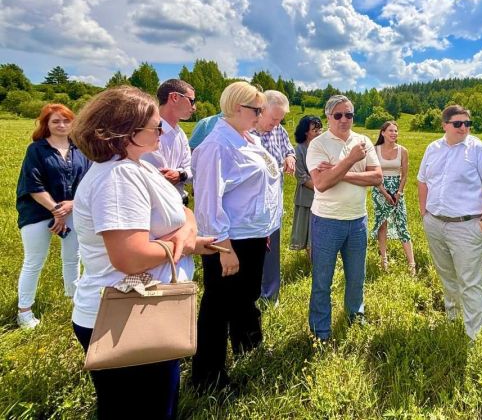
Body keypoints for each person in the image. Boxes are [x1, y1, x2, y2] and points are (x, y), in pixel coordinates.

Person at [70, 86, 214, 419]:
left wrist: (185, 233)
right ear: (126, 132)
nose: (162, 130)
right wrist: (184, 245)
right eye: (155, 126)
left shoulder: (138, 166)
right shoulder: (118, 177)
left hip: (145, 308)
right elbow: (130, 256)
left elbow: (184, 210)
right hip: (125, 316)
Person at [191, 82, 282, 389]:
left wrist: (264, 229)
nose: (260, 115)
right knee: (218, 306)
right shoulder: (216, 146)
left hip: (253, 235)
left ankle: (247, 345)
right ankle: (209, 377)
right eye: (257, 110)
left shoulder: (248, 138)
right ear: (237, 108)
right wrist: (223, 247)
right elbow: (207, 202)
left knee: (245, 298)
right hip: (231, 239)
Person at [417, 105, 482, 339]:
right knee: (447, 275)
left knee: (470, 281)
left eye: (467, 123)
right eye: (458, 123)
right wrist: (423, 212)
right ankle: (453, 318)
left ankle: (473, 335)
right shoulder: (433, 148)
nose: (464, 127)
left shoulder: (478, 150)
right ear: (445, 125)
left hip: (467, 226)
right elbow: (422, 181)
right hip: (435, 223)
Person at [306, 95, 382, 340]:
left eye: (348, 115)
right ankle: (321, 331)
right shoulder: (318, 145)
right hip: (327, 221)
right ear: (328, 117)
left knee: (357, 276)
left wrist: (342, 172)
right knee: (322, 279)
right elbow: (322, 183)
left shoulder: (363, 141)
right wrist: (351, 161)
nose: (344, 119)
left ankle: (355, 316)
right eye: (338, 115)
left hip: (358, 220)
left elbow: (377, 178)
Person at [15, 104, 91, 329]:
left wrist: (72, 206)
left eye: (66, 121)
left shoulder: (80, 150)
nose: (62, 125)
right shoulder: (36, 150)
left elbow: (87, 183)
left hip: (72, 210)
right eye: (55, 121)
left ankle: (74, 300)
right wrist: (57, 210)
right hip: (38, 212)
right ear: (46, 124)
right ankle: (24, 311)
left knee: (72, 258)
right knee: (34, 261)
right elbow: (33, 184)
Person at [250, 90, 296, 304]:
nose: (276, 123)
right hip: (251, 202)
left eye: (280, 119)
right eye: (273, 118)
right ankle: (252, 293)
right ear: (261, 109)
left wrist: (290, 157)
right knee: (251, 249)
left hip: (274, 199)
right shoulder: (246, 132)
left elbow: (289, 149)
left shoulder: (280, 130)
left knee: (272, 249)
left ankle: (271, 295)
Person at [370, 121, 415, 275]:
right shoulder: (375, 150)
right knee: (382, 224)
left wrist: (398, 193)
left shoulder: (403, 151)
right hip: (380, 189)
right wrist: (384, 192)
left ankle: (412, 265)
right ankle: (384, 261)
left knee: (402, 223)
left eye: (396, 131)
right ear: (382, 133)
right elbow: (373, 175)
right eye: (391, 131)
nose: (394, 133)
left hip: (397, 190)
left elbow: (405, 175)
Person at [141, 79, 195, 203]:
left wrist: (180, 175)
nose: (194, 107)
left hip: (179, 203)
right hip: (152, 206)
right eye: (191, 101)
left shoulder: (180, 134)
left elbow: (190, 168)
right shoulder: (144, 131)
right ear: (174, 97)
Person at [290, 115, 322, 257]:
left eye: (320, 130)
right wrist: (322, 186)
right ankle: (312, 261)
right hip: (307, 197)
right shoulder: (299, 150)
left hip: (324, 197)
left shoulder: (323, 148)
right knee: (308, 229)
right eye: (315, 130)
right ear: (305, 132)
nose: (318, 133)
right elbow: (301, 176)